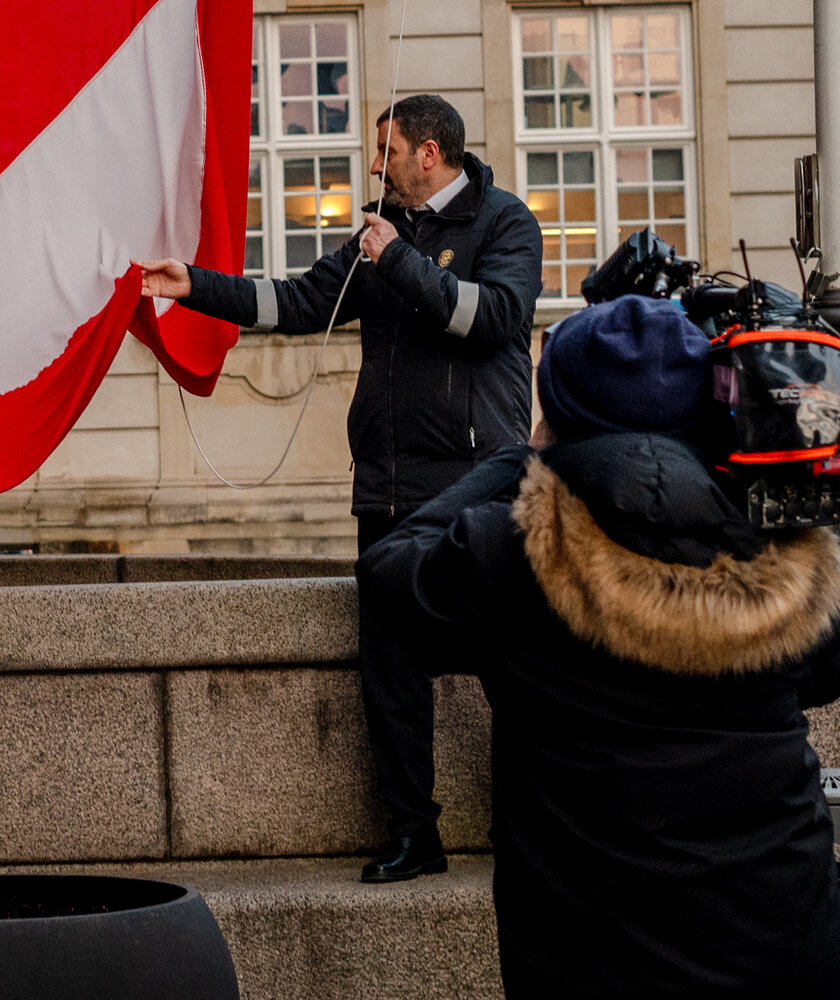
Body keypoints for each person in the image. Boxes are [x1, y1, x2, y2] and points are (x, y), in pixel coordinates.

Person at [359, 295, 840, 1000]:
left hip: (590, 962)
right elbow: (824, 675)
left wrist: (518, 461)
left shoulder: (513, 554)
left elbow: (391, 570)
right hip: (789, 950)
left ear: (560, 416)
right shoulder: (783, 560)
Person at [140, 92, 543, 882]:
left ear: (430, 155)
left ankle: (530, 821)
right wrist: (195, 286)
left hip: (476, 481)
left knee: (510, 659)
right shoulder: (378, 234)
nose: (375, 165)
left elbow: (494, 318)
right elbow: (296, 302)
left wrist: (399, 259)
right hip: (388, 487)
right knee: (390, 669)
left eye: (387, 152)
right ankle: (412, 834)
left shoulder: (504, 223)